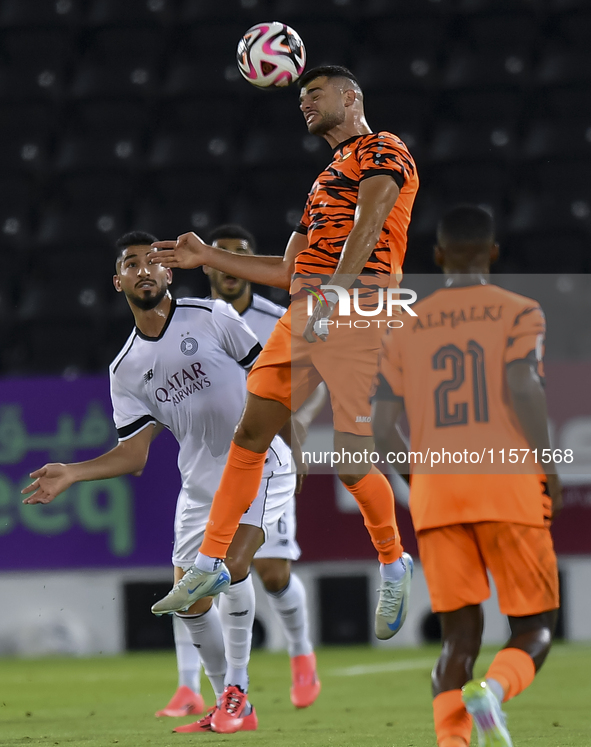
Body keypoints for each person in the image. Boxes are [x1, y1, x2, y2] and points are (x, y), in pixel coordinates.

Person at [148, 65, 419, 642]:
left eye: (315, 94)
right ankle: (208, 564)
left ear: (351, 97)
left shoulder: (384, 149)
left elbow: (370, 224)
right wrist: (207, 259)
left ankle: (393, 561)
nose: (305, 104)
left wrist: (338, 291)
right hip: (306, 312)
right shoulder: (322, 184)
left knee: (350, 462)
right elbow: (287, 270)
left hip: (357, 308)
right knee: (251, 432)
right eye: (301, 98)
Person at [21, 231, 316, 735]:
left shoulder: (213, 316)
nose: (142, 270)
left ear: (168, 272)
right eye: (130, 265)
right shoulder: (125, 369)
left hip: (260, 465)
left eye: (150, 262)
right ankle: (230, 700)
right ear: (118, 283)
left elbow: (272, 382)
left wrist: (295, 451)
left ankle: (241, 691)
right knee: (192, 600)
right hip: (200, 487)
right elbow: (134, 455)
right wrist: (74, 471)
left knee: (233, 566)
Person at [371, 205, 562, 747]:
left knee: (457, 640)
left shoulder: (401, 326)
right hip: (508, 486)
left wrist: (422, 478)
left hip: (436, 494)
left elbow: (382, 430)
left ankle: (452, 742)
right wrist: (548, 466)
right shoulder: (522, 311)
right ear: (494, 252)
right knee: (535, 625)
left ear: (437, 256)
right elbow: (524, 387)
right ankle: (495, 691)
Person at [157, 223, 323, 723]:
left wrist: (298, 435)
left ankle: (299, 652)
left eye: (242, 254)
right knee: (193, 575)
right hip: (217, 465)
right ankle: (198, 688)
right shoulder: (196, 321)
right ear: (208, 265)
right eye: (223, 254)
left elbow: (312, 378)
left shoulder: (281, 316)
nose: (231, 263)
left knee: (270, 572)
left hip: (268, 454)